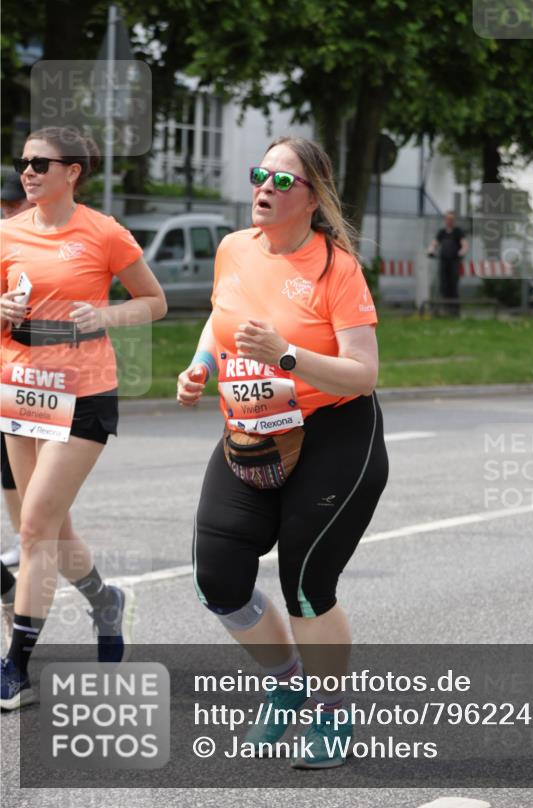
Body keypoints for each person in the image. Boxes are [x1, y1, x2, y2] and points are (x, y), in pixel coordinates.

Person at [178, 136, 389, 769]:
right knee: (217, 578)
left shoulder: (335, 268)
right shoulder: (233, 248)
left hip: (334, 436)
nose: (263, 188)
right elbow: (219, 321)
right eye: (258, 175)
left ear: (313, 198)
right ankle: (289, 682)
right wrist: (199, 365)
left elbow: (365, 373)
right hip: (249, 430)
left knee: (305, 585)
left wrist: (287, 356)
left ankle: (330, 713)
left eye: (281, 181)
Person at [0, 127, 167, 710]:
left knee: (34, 528)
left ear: (73, 171)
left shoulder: (103, 232)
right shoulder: (7, 233)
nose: (28, 171)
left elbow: (154, 301)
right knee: (50, 528)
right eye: (24, 162)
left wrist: (104, 316)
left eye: (41, 163)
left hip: (83, 395)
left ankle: (16, 665)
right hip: (19, 392)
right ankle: (105, 602)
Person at [0, 172, 33, 569]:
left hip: (39, 374)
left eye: (13, 204)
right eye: (3, 205)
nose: (6, 211)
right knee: (6, 465)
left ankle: (37, 536)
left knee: (32, 468)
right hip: (7, 370)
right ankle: (23, 537)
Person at [428, 209, 469, 316]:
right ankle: (445, 310)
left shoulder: (458, 232)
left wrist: (461, 252)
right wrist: (431, 251)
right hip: (443, 262)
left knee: (453, 286)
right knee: (443, 285)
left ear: (454, 220)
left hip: (454, 262)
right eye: (447, 219)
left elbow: (464, 245)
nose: (449, 221)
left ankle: (455, 311)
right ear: (445, 220)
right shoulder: (442, 232)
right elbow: (434, 244)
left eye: (451, 219)